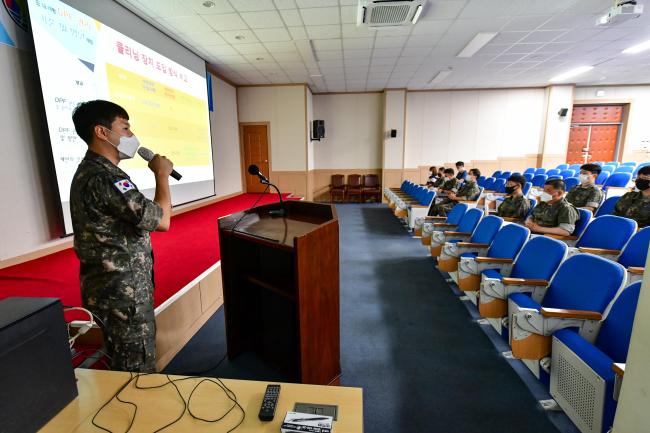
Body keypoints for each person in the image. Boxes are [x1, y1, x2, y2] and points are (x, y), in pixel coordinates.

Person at [70, 100, 173, 372]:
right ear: (102, 132)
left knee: (120, 366)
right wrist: (162, 175)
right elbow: (161, 220)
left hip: (109, 289)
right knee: (135, 373)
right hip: (122, 295)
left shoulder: (92, 172)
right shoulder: (106, 177)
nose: (131, 136)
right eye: (125, 128)